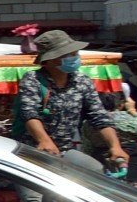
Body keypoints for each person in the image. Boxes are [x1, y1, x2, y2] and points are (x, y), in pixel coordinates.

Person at [15, 29, 127, 174]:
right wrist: (44, 140)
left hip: (65, 150)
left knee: (96, 173)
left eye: (75, 53)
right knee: (33, 197)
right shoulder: (33, 79)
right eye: (67, 54)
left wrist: (115, 146)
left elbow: (99, 116)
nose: (74, 57)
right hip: (31, 151)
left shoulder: (82, 81)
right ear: (48, 60)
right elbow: (29, 113)